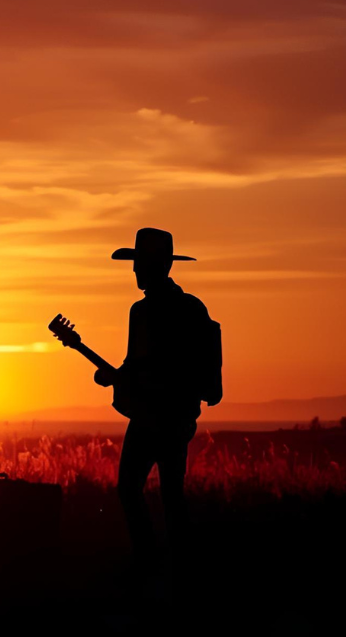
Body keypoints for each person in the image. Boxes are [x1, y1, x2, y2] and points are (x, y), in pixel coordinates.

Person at [94, 228, 215, 576]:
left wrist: (120, 377)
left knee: (135, 490)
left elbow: (152, 365)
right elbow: (136, 365)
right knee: (165, 495)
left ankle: (154, 563)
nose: (134, 271)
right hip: (168, 417)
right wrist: (115, 375)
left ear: (157, 266)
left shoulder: (157, 311)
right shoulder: (185, 308)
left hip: (159, 417)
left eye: (140, 264)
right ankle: (173, 565)